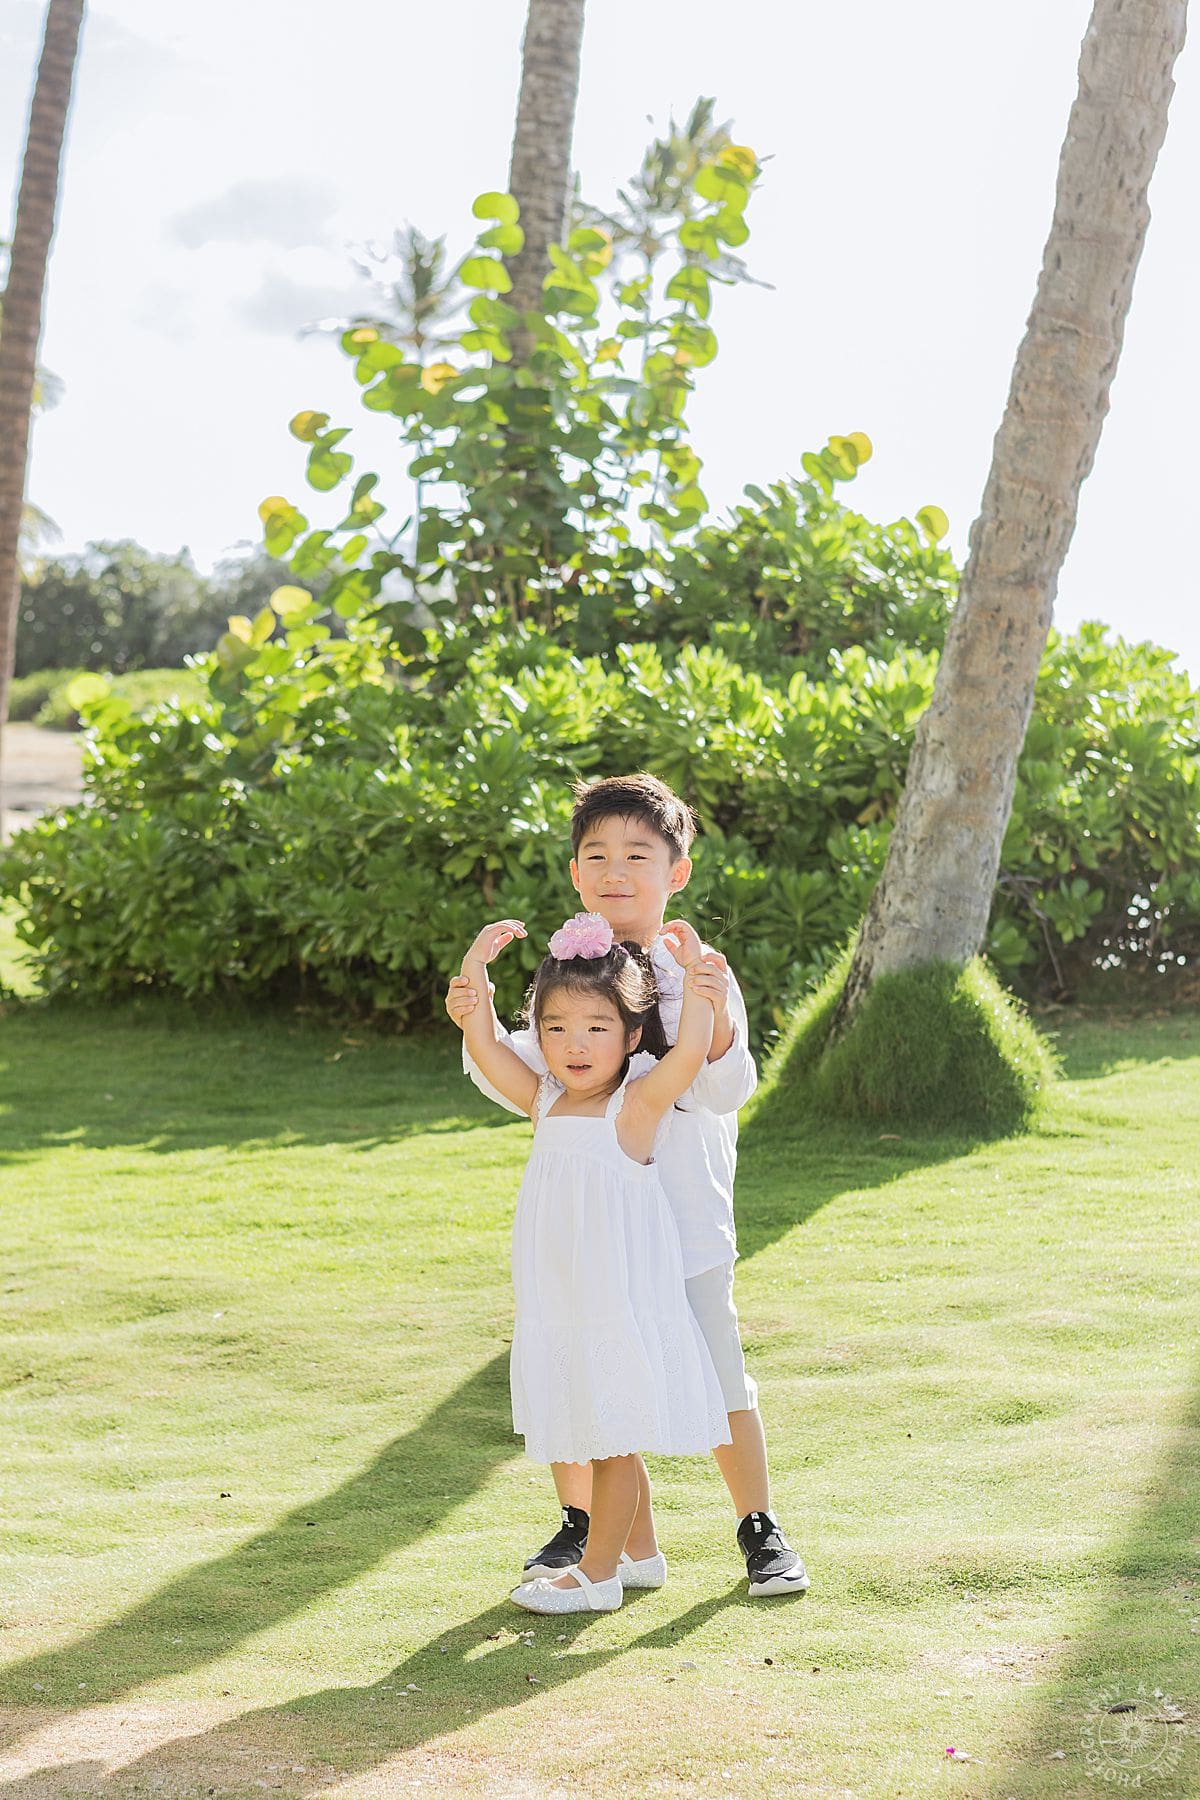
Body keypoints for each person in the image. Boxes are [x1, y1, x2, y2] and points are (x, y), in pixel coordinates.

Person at [448, 772, 809, 1599]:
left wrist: (707, 1020)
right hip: (595, 1225)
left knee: (716, 1367)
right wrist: (476, 1017)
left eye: (637, 855)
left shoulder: (698, 973)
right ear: (575, 872)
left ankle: (759, 1528)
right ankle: (597, 1531)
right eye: (597, 854)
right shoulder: (566, 968)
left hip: (680, 1213)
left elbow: (719, 1089)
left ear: (675, 872)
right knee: (582, 1358)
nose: (616, 870)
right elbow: (525, 1073)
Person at [459, 908, 732, 1614]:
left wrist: (701, 978)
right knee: (590, 1423)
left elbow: (689, 1055)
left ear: (631, 1035)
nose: (574, 1046)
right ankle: (640, 1556)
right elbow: (487, 1047)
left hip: (613, 1299)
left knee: (612, 1433)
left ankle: (598, 1575)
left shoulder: (636, 1106)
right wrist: (475, 975)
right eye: (556, 1028)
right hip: (561, 1298)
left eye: (597, 1028)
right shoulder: (545, 1101)